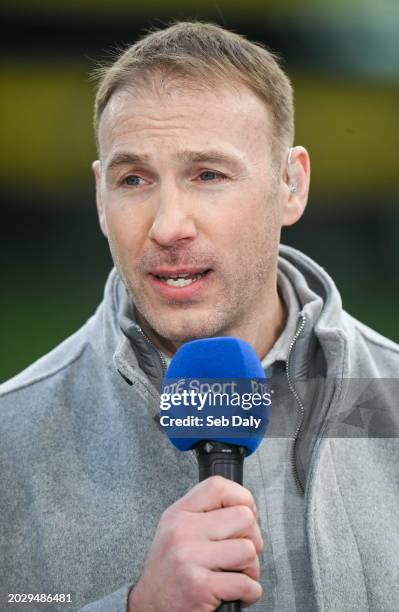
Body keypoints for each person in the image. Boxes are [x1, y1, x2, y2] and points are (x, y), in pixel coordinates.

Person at [0, 20, 398, 612]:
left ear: (290, 183)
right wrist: (137, 607)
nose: (167, 226)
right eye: (133, 179)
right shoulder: (11, 438)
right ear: (100, 199)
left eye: (208, 175)